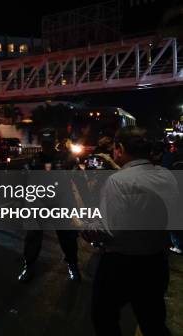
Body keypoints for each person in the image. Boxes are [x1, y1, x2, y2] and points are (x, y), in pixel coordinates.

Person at [83, 126, 179, 336]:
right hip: (156, 263)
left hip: (121, 265)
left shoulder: (118, 181)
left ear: (120, 149)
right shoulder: (166, 175)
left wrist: (85, 226)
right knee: (152, 321)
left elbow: (109, 231)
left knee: (104, 317)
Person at [18, 129, 81, 283]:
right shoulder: (33, 160)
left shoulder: (66, 158)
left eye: (49, 142)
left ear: (54, 143)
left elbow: (79, 179)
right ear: (42, 143)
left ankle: (73, 266)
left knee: (68, 237)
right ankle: (29, 266)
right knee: (32, 237)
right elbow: (23, 182)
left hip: (61, 204)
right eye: (45, 143)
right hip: (39, 204)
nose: (47, 146)